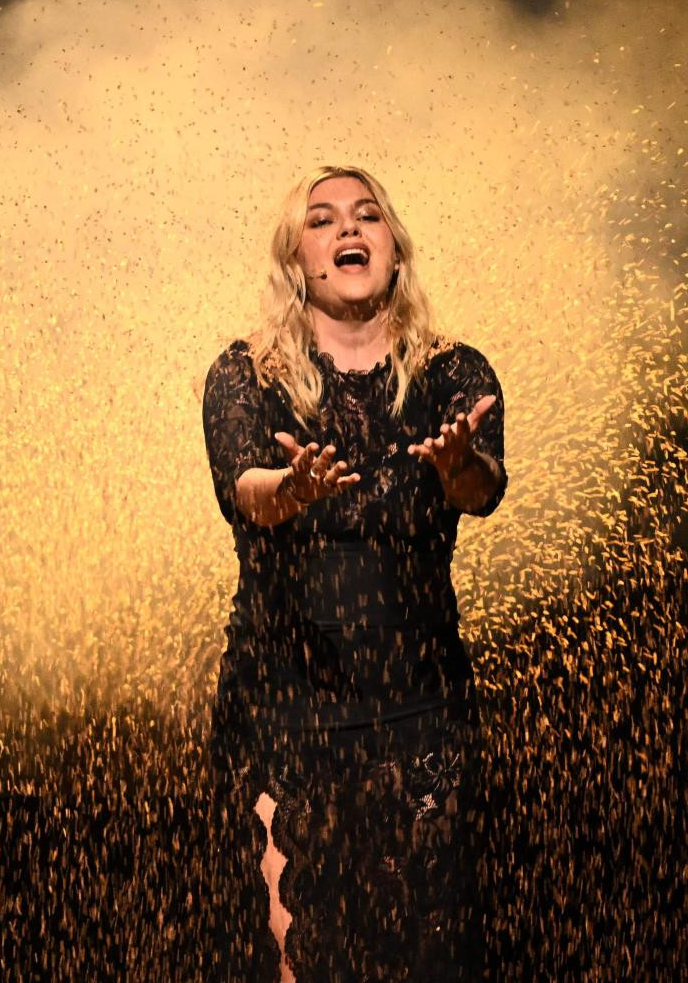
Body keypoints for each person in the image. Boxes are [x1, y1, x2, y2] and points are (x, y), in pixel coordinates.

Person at [201, 165, 507, 981]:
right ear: (295, 259)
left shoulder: (454, 373)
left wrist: (458, 468)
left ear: (394, 249)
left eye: (367, 216)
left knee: (432, 955)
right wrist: (292, 490)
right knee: (299, 956)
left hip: (420, 708)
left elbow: (483, 491)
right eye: (322, 219)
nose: (347, 229)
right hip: (286, 709)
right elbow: (244, 491)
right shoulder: (246, 374)